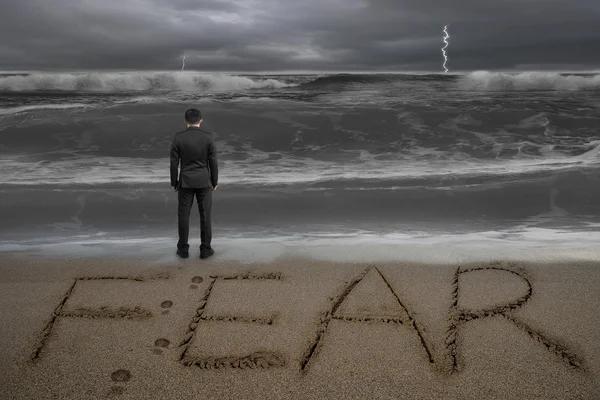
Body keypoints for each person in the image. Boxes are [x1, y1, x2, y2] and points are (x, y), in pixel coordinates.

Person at [170, 108, 218, 259]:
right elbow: (213, 161)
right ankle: (205, 249)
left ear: (185, 121)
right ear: (200, 120)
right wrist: (214, 181)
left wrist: (174, 182)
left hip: (185, 182)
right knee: (205, 216)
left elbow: (174, 163)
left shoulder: (178, 137)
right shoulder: (208, 137)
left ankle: (183, 249)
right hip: (204, 181)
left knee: (184, 215)